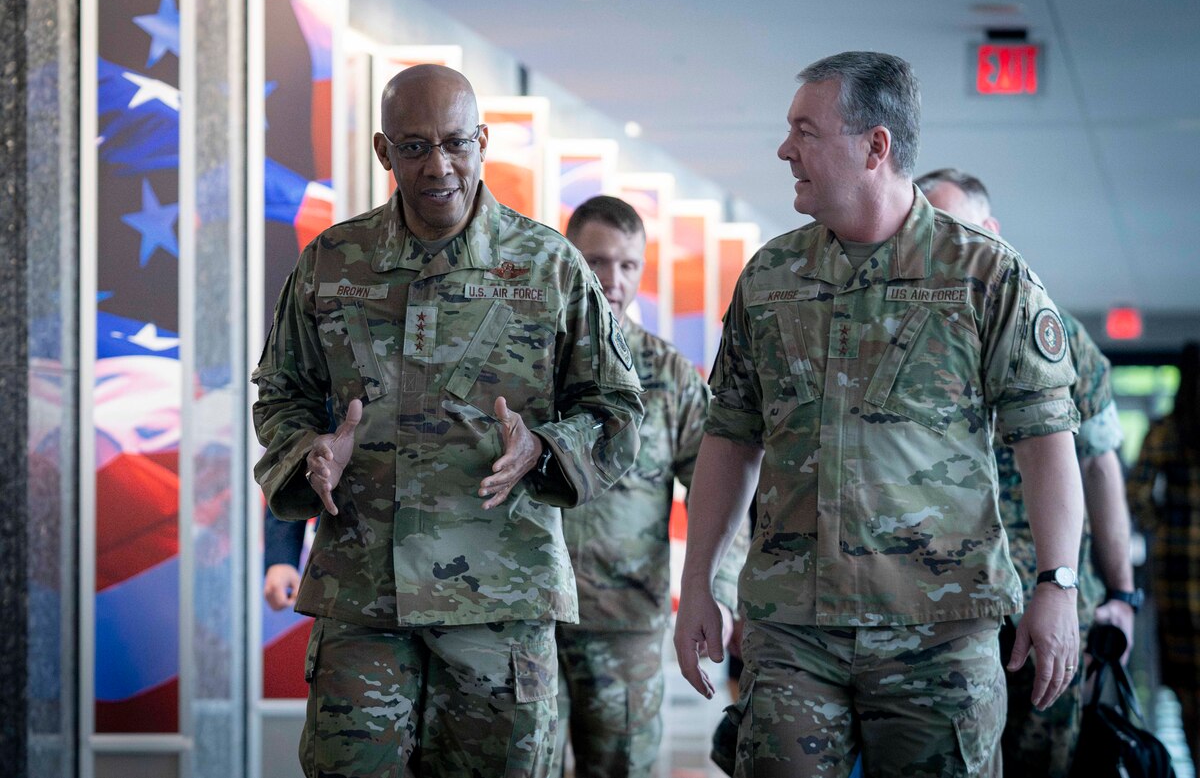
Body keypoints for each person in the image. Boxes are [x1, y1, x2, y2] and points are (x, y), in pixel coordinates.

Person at [673, 51, 1086, 777]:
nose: (784, 149)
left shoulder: (986, 275)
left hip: (938, 630)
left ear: (875, 146)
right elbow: (730, 437)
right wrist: (699, 578)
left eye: (805, 129)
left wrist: (1058, 582)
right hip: (793, 628)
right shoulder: (771, 279)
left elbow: (1046, 442)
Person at [251, 64, 644, 778]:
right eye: (414, 147)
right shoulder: (332, 264)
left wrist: (543, 448)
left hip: (500, 599)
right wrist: (309, 450)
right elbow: (280, 393)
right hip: (364, 597)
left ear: (483, 141)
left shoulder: (548, 266)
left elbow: (616, 409)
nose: (439, 166)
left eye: (456, 143)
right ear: (382, 151)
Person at [917, 167, 1138, 776]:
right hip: (946, 608)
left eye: (953, 228)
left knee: (1046, 760)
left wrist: (1121, 594)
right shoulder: (907, 343)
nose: (940, 248)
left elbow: (1100, 468)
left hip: (1050, 597)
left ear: (990, 232)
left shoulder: (1059, 335)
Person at [550, 195, 747, 777]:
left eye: (628, 265)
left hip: (625, 624)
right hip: (525, 618)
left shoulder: (669, 377)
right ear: (567, 260)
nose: (613, 280)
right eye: (597, 261)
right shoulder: (524, 367)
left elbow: (724, 496)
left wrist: (723, 592)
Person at [1128, 341, 1200, 775]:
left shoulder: (1166, 430)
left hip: (1177, 570)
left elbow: (1135, 495)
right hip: (1178, 571)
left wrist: (1163, 522)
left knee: (1190, 691)